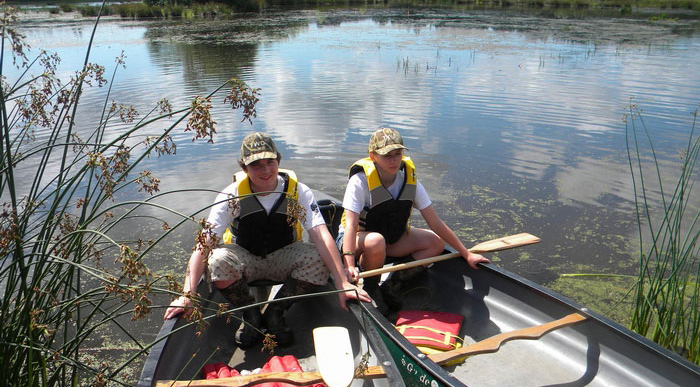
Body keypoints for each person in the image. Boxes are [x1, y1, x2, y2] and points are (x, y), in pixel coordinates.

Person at [164, 132, 370, 348]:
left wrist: (342, 283)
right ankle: (251, 313)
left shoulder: (297, 192)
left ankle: (275, 312)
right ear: (244, 168)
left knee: (319, 256)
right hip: (246, 259)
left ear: (278, 161)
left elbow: (321, 235)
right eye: (256, 165)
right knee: (216, 260)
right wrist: (188, 294)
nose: (265, 171)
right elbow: (204, 244)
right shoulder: (231, 196)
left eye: (270, 162)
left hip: (285, 256)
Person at [338, 127, 489, 311]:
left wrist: (467, 254)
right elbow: (351, 226)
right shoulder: (360, 182)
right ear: (373, 156)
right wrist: (349, 265)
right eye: (387, 155)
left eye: (398, 153)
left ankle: (394, 283)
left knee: (435, 243)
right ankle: (371, 284)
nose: (394, 160)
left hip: (391, 237)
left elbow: (434, 222)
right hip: (357, 241)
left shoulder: (410, 180)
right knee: (376, 242)